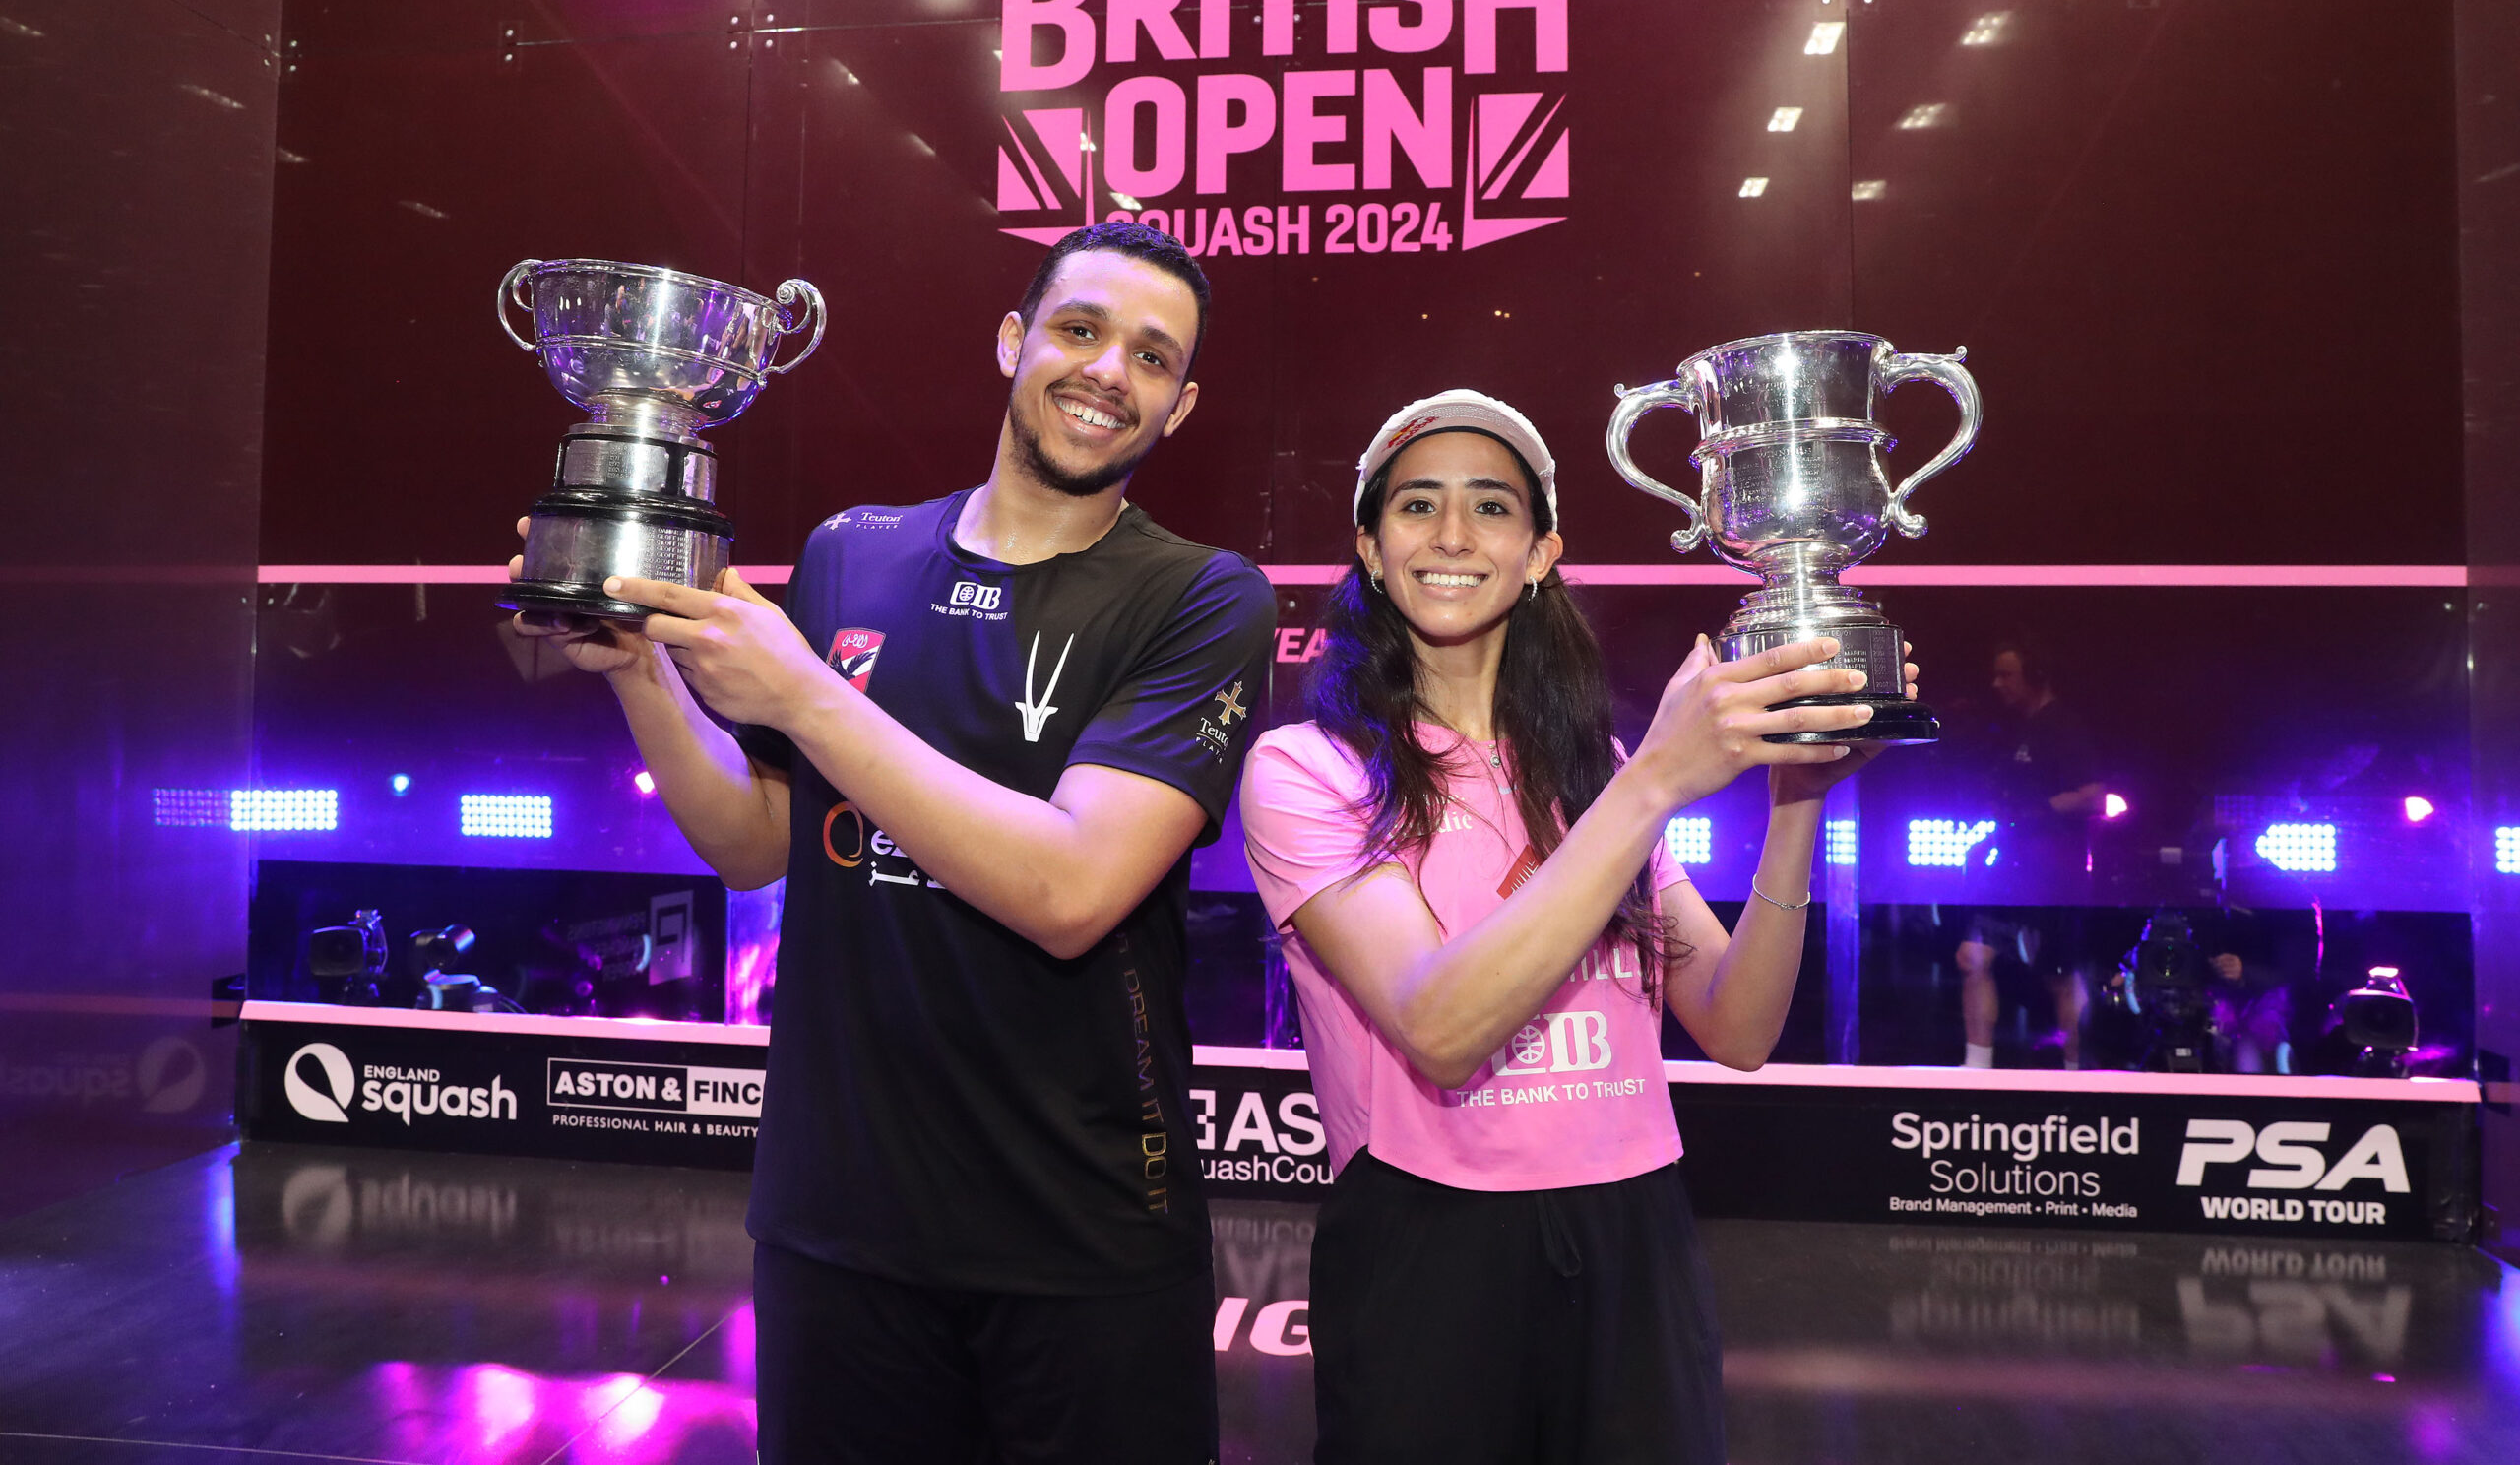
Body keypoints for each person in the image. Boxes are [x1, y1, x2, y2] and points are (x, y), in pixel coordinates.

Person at [510, 222, 1276, 1464]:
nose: (1106, 373)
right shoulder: (852, 552)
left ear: (1179, 407)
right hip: (837, 1221)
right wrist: (642, 672)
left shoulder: (1203, 596)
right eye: (1079, 331)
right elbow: (760, 841)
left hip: (1080, 1236)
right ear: (1013, 340)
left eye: (1150, 357)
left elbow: (1073, 886)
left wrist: (807, 691)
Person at [1237, 391, 1912, 1465]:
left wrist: (1799, 796)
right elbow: (1440, 1024)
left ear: (1540, 548)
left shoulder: (1589, 767)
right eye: (1417, 504)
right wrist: (1650, 783)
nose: (1453, 535)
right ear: (1369, 546)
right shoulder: (1306, 769)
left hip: (1633, 1230)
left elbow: (1738, 1025)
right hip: (1427, 1246)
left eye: (1491, 507)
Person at [1956, 638, 2108, 1069]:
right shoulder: (2018, 727)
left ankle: (2076, 1072)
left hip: (2053, 872)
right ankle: (1976, 1068)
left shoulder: (2064, 726)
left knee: (2060, 976)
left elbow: (2094, 795)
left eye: (2007, 674)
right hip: (2011, 869)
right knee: (1973, 956)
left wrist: (2033, 815)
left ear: (2036, 676)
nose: (1997, 684)